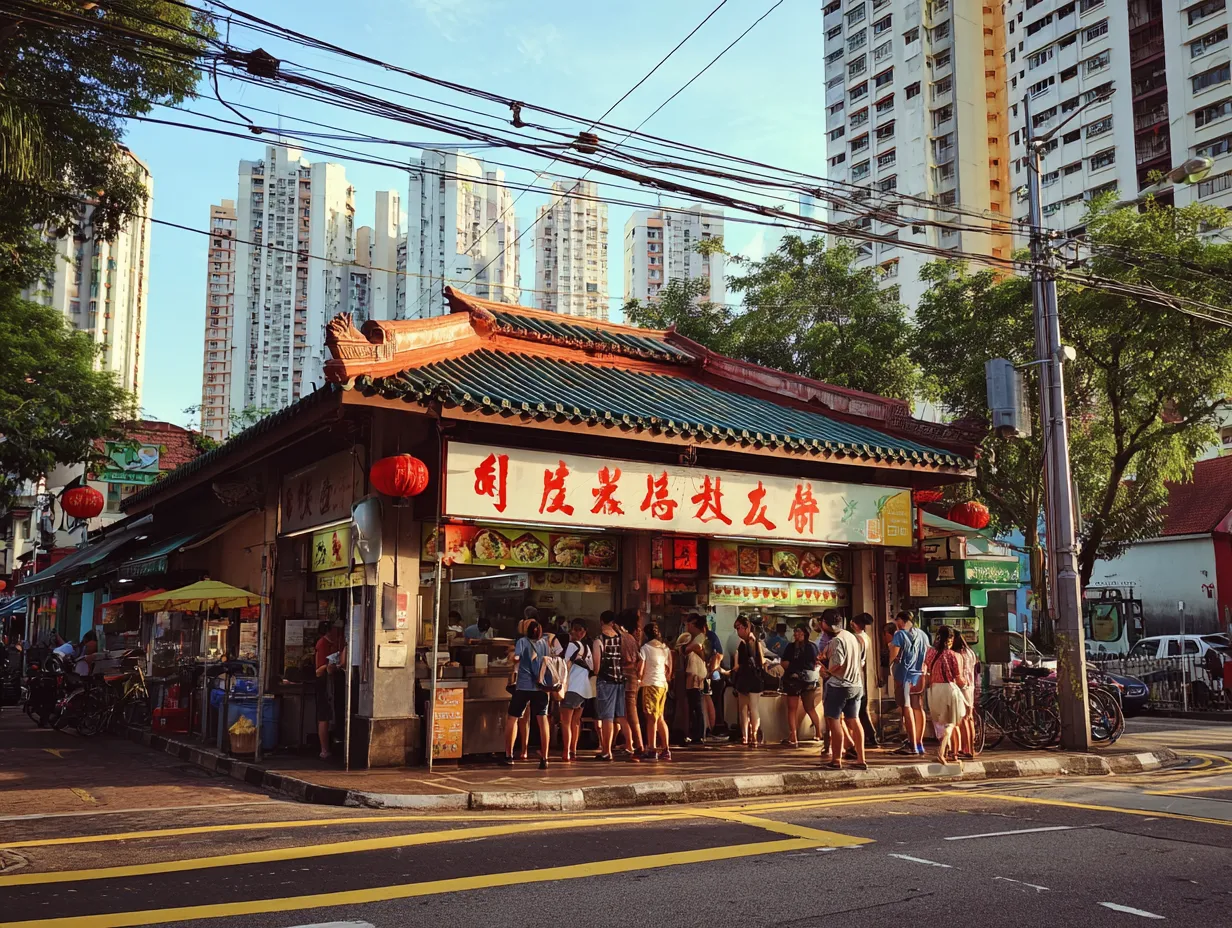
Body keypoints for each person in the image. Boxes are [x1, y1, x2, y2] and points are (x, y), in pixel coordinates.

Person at [818, 613, 867, 771]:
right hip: (856, 684)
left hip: (839, 686)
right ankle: (861, 759)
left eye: (822, 622)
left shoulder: (837, 640)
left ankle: (836, 759)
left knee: (834, 720)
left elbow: (838, 663)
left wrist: (827, 671)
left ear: (826, 623)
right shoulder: (852, 637)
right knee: (854, 720)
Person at [504, 619, 551, 769]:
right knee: (543, 721)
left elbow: (517, 658)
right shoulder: (545, 643)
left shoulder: (522, 642)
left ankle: (509, 755)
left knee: (513, 719)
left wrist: (512, 655)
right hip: (541, 687)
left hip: (523, 687)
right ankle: (544, 758)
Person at [924, 625, 969, 768]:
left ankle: (949, 753)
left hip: (933, 690)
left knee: (941, 722)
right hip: (948, 688)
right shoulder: (951, 655)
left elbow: (927, 670)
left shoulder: (930, 652)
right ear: (950, 638)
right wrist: (966, 684)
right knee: (951, 722)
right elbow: (959, 679)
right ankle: (941, 752)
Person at [889, 610, 930, 757]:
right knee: (918, 707)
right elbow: (928, 654)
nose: (896, 624)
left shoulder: (899, 635)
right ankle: (919, 744)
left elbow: (893, 656)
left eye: (897, 621)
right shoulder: (923, 634)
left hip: (904, 675)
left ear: (902, 620)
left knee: (907, 709)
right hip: (919, 675)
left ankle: (912, 744)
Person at [592, 611, 628, 761]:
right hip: (620, 680)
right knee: (619, 716)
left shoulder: (599, 640)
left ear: (601, 622)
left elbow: (596, 666)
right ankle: (631, 745)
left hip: (605, 680)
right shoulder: (622, 639)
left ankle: (606, 751)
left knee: (606, 717)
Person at [781, 623, 822, 747]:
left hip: (797, 680)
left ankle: (816, 733)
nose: (796, 634)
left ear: (805, 633)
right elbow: (816, 663)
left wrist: (794, 668)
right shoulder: (810, 647)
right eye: (795, 631)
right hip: (801, 681)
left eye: (799, 632)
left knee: (805, 708)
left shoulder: (800, 647)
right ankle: (795, 735)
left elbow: (785, 663)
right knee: (798, 708)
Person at [637, 622, 674, 760]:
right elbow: (669, 671)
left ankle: (652, 749)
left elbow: (640, 670)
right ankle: (666, 749)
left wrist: (639, 680)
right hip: (662, 684)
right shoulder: (665, 649)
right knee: (660, 717)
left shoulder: (645, 648)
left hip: (650, 684)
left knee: (651, 718)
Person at [560, 618, 594, 762]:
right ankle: (573, 750)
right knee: (576, 721)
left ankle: (566, 752)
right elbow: (592, 668)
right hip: (584, 689)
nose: (573, 632)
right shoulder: (587, 649)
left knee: (566, 722)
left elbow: (565, 665)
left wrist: (561, 683)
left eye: (574, 629)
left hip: (572, 687)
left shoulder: (572, 646)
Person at [730, 616, 766, 748]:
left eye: (739, 628)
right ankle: (753, 735)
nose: (738, 631)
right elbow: (762, 661)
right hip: (755, 679)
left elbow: (739, 664)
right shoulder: (756, 641)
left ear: (746, 627)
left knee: (744, 709)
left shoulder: (746, 643)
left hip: (745, 678)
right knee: (753, 708)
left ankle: (746, 736)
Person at [314, 621, 344, 761]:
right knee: (324, 715)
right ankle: (324, 750)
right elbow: (318, 671)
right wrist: (330, 666)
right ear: (329, 631)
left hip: (333, 684)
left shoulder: (338, 643)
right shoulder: (322, 644)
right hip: (324, 684)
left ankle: (332, 745)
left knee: (333, 713)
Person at [849, 613, 879, 749]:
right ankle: (871, 735)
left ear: (855, 624)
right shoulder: (866, 637)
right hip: (862, 677)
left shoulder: (856, 639)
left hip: (855, 677)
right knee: (861, 709)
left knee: (856, 711)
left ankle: (866, 737)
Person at [617, 610, 644, 758]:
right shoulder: (632, 639)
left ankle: (637, 744)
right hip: (633, 676)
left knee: (629, 713)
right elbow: (639, 659)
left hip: (625, 677)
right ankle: (632, 743)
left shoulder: (620, 637)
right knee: (630, 712)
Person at [682, 613, 709, 746]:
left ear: (693, 624)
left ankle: (698, 735)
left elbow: (698, 648)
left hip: (696, 674)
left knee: (696, 706)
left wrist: (685, 649)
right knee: (694, 706)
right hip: (694, 674)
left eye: (688, 623)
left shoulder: (700, 637)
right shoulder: (697, 637)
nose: (687, 626)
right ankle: (696, 734)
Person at [952, 632, 978, 759]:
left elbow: (958, 674)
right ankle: (970, 747)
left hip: (962, 687)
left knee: (963, 720)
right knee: (969, 718)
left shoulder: (958, 655)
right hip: (971, 687)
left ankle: (966, 749)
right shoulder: (970, 652)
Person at [703, 619, 725, 738]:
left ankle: (714, 728)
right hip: (713, 674)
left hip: (714, 675)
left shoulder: (710, 636)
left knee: (712, 700)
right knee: (713, 700)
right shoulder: (708, 637)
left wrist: (711, 671)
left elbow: (718, 655)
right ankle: (714, 727)